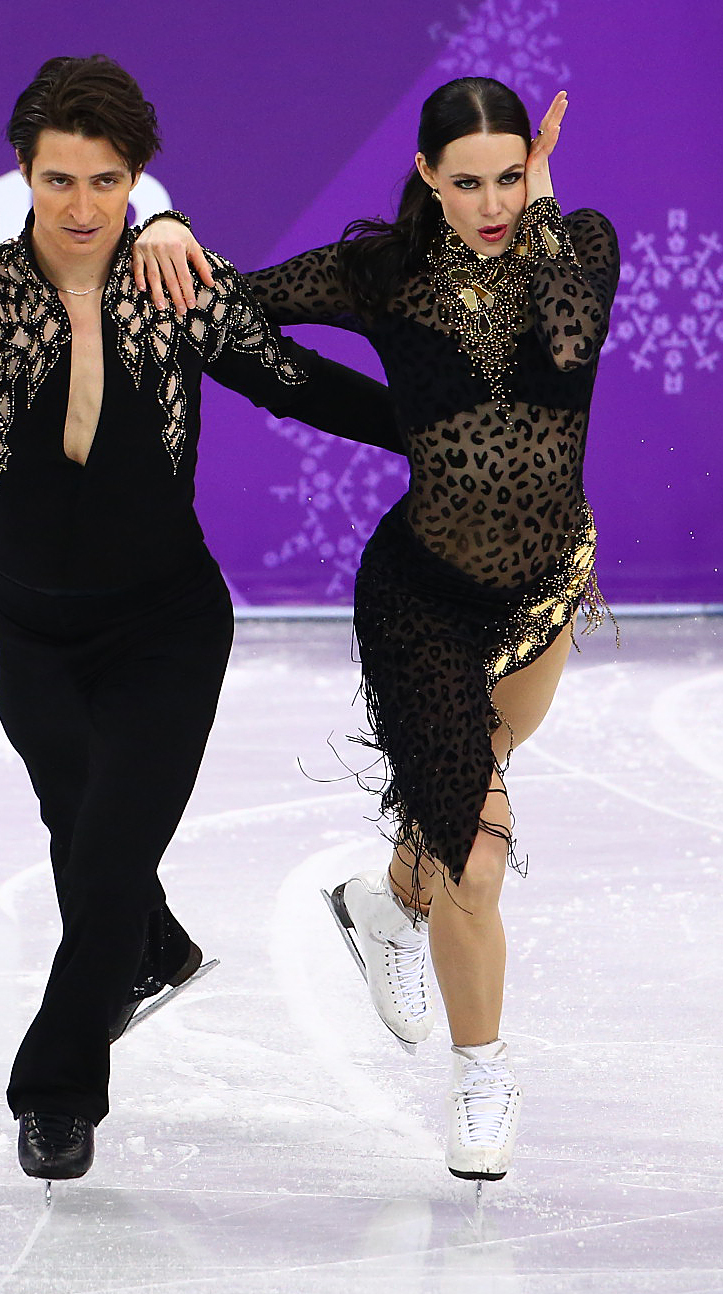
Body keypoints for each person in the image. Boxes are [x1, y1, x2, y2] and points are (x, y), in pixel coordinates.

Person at [0, 55, 404, 1185]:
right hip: (33, 640)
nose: (82, 208)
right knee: (91, 857)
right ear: (23, 176)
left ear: (139, 181)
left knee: (110, 854)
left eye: (108, 181)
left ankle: (56, 1091)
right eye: (59, 180)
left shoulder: (175, 282)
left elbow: (291, 380)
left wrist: (437, 435)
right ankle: (151, 948)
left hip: (168, 627)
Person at [133, 77, 619, 1182]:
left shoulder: (577, 245)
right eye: (467, 182)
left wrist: (543, 204)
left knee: (465, 785)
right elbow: (225, 304)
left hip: (545, 590)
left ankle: (383, 904)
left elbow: (569, 344)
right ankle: (481, 1071)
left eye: (506, 177)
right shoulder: (384, 273)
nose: (490, 202)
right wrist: (162, 222)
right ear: (424, 179)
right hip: (421, 600)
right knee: (480, 855)